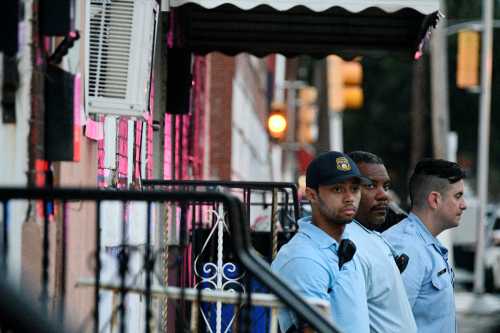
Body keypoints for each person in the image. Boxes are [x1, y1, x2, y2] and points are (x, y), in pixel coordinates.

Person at [271, 151, 370, 333]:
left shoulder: (345, 245)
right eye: (337, 189)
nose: (349, 197)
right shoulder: (303, 258)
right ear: (312, 195)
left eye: (355, 189)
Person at [383, 159, 467, 332]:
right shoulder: (407, 247)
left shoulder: (423, 243)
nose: (464, 205)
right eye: (458, 196)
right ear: (435, 200)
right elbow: (391, 325)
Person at [346, 151, 417, 332]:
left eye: (385, 186)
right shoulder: (348, 246)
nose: (383, 195)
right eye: (370, 186)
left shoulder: (372, 235)